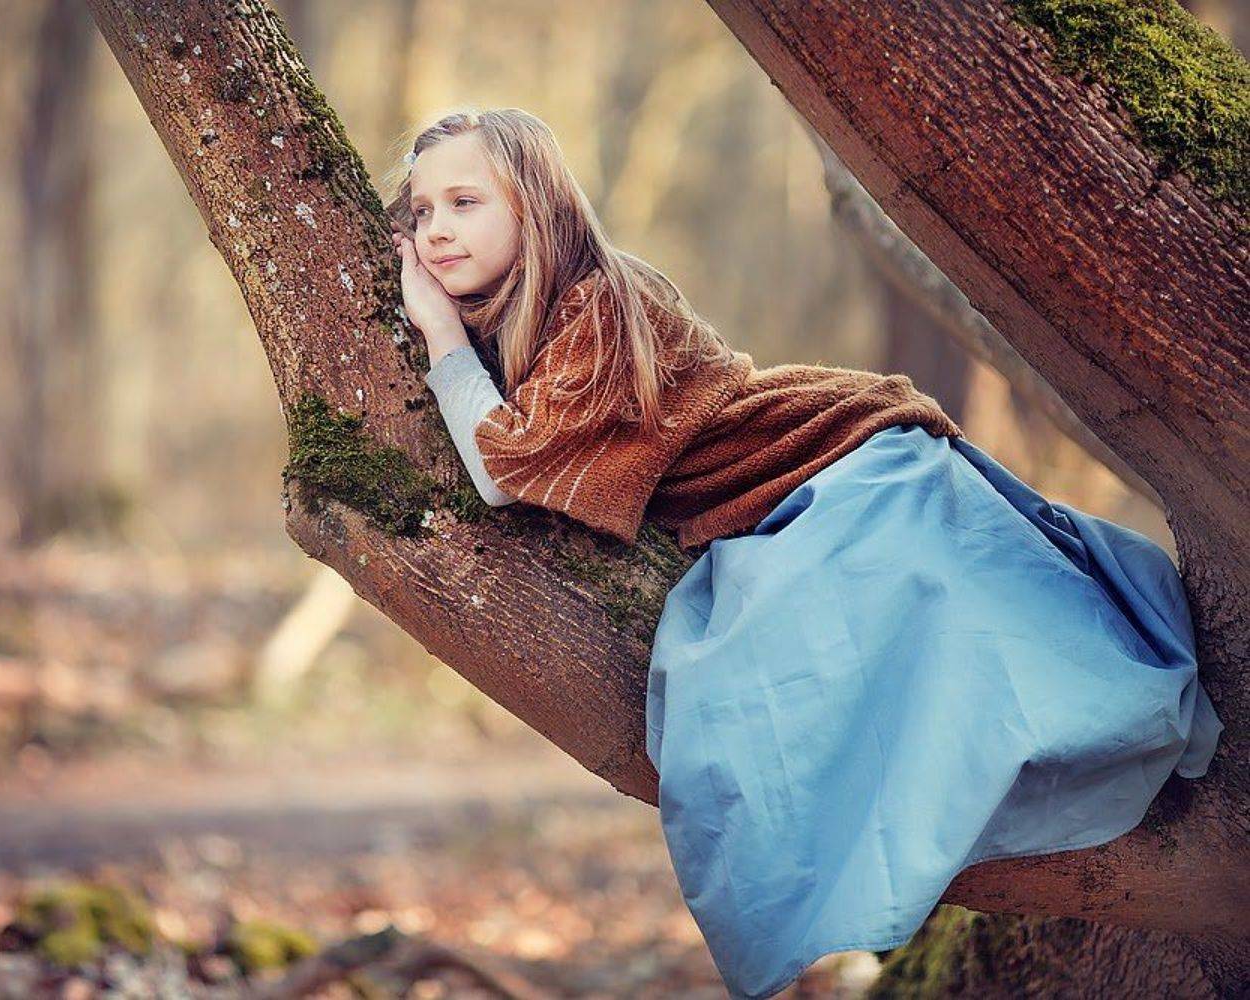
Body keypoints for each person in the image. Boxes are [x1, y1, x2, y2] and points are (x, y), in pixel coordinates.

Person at [383, 107, 1224, 999]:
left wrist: (439, 334)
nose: (437, 230)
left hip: (838, 463)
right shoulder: (520, 315)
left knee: (963, 658)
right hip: (789, 491)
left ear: (537, 206)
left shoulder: (599, 300)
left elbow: (503, 470)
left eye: (465, 202)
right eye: (422, 211)